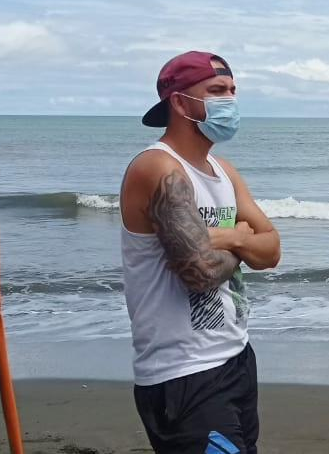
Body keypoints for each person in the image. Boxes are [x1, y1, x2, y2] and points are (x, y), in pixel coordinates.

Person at [120, 51, 281, 454]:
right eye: (216, 91)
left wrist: (230, 238)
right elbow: (200, 272)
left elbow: (272, 249)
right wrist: (243, 237)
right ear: (178, 101)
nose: (229, 100)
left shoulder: (224, 170)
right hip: (182, 373)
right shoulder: (159, 169)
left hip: (236, 355)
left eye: (232, 90)